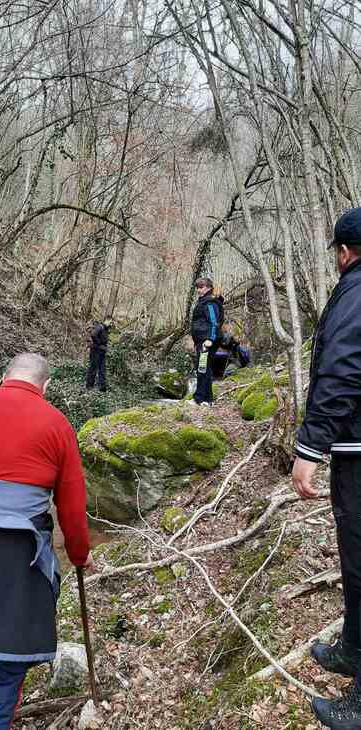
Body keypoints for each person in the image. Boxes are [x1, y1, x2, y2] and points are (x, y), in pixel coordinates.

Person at [0, 352, 93, 730]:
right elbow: (72, 508)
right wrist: (80, 556)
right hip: (18, 577)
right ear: (46, 387)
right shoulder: (57, 424)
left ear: (3, 377)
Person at [292, 207, 361, 729]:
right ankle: (353, 649)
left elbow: (341, 371)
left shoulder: (355, 292)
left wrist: (309, 449)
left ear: (343, 252)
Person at [190, 277, 224, 404]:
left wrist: (210, 339)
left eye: (201, 287)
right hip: (203, 340)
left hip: (207, 340)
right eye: (197, 287)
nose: (199, 290)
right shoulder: (204, 301)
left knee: (202, 368)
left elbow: (214, 322)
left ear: (209, 287)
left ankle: (198, 399)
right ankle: (208, 400)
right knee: (205, 368)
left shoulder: (210, 302)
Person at [86, 318, 111, 393]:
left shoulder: (106, 329)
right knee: (93, 368)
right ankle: (89, 386)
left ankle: (102, 388)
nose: (111, 323)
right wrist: (99, 343)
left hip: (102, 351)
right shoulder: (100, 327)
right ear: (106, 320)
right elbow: (93, 334)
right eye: (110, 321)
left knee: (102, 369)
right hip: (96, 351)